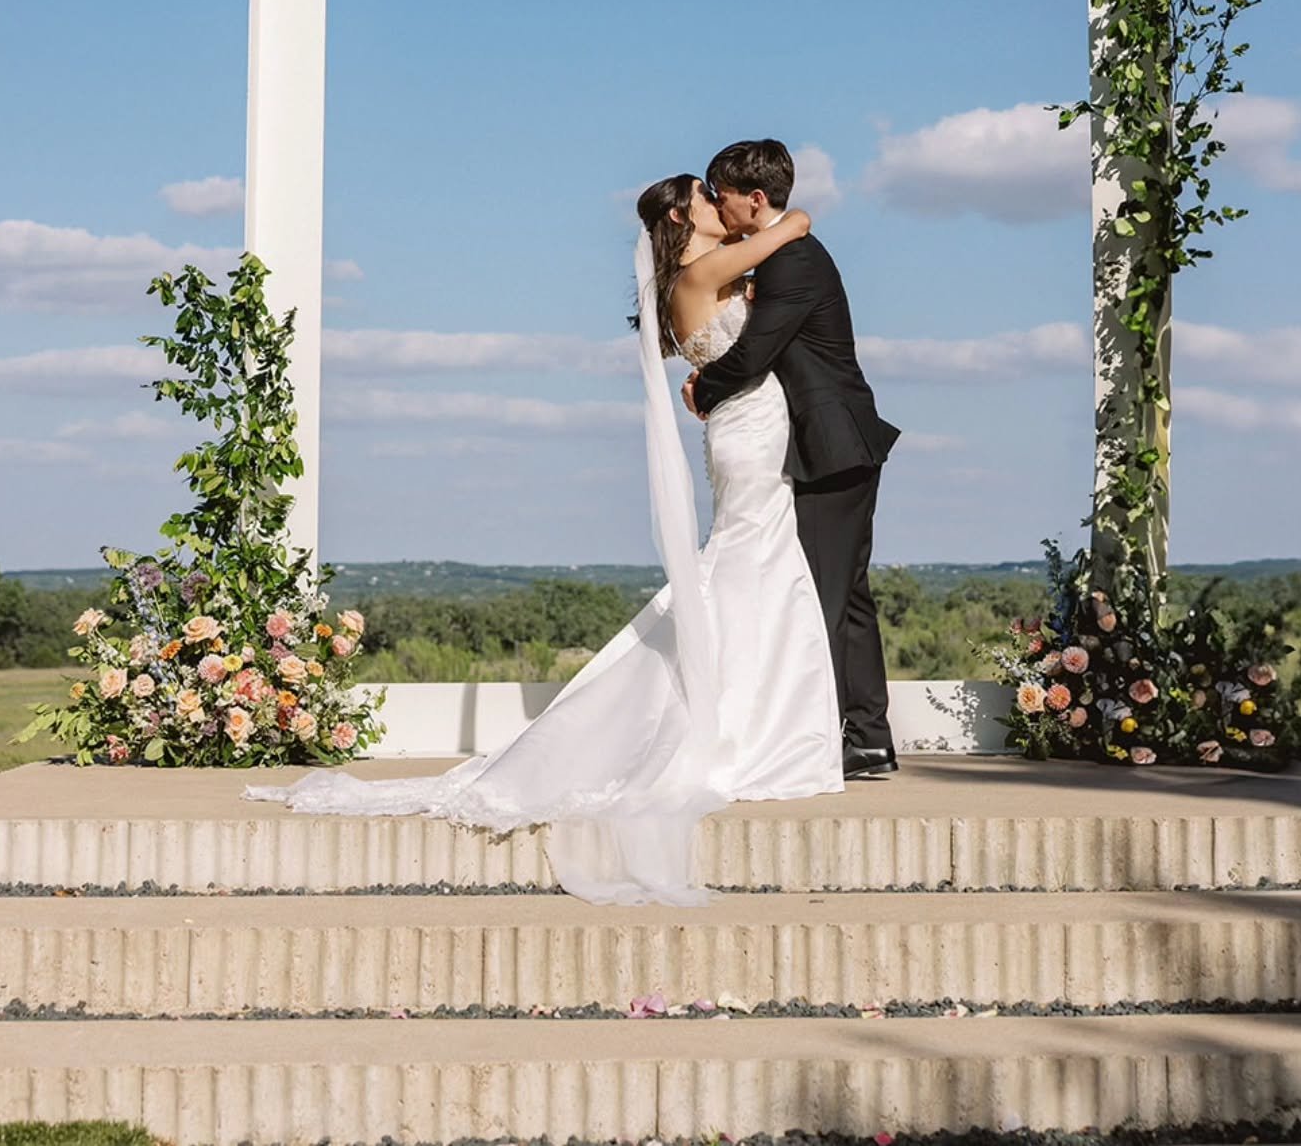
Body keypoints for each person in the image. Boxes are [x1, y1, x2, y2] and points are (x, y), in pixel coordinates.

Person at [244, 171, 842, 906]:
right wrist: (775, 221)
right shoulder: (700, 268)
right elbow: (795, 224)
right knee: (746, 572)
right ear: (682, 221)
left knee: (752, 574)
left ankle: (754, 725)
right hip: (749, 440)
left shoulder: (701, 274)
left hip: (747, 432)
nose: (720, 200)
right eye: (705, 194)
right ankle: (744, 733)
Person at [685, 139, 901, 779]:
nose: (719, 207)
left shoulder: (793, 261)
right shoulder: (781, 250)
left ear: (755, 200)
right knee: (850, 596)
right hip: (836, 444)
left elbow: (755, 352)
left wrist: (704, 387)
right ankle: (867, 736)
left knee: (820, 597)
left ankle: (828, 740)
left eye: (722, 195)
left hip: (831, 446)